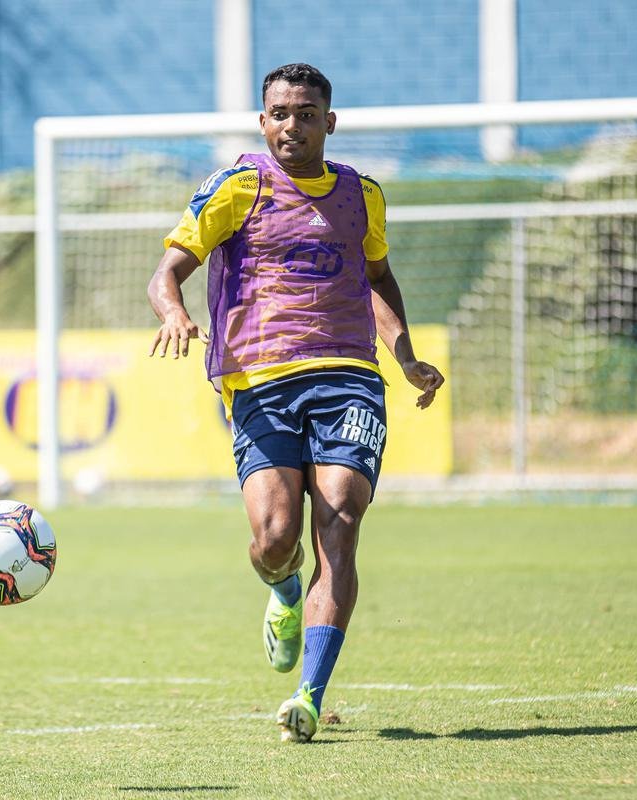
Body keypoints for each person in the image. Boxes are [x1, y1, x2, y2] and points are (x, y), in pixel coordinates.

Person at [147, 63, 444, 743]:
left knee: (339, 520)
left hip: (347, 377)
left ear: (328, 123)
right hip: (259, 384)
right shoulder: (238, 186)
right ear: (263, 121)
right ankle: (282, 592)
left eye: (306, 113)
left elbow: (376, 275)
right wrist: (173, 311)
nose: (292, 125)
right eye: (280, 113)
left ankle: (308, 696)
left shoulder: (361, 194)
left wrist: (405, 356)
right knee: (275, 539)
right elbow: (168, 269)